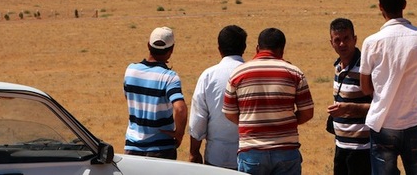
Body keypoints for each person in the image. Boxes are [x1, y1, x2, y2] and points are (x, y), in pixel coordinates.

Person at [360, 0, 417, 175]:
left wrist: (384, 89)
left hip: (383, 122)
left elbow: (365, 87)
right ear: (405, 4)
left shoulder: (371, 42)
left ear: (380, 7)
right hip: (412, 119)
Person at [223, 27, 315, 175]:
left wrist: (251, 121)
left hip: (252, 151)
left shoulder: (238, 73)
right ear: (281, 50)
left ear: (257, 48)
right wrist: (285, 121)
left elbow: (229, 113)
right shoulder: (294, 73)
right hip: (286, 151)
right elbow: (307, 112)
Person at [123, 26, 187, 159]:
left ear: (148, 45)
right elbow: (180, 109)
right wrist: (179, 134)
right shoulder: (169, 77)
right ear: (171, 50)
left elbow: (128, 97)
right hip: (161, 149)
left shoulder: (130, 71)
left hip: (132, 148)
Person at [189, 25, 247, 169]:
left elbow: (198, 119)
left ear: (219, 48)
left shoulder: (208, 76)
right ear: (244, 47)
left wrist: (194, 152)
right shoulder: (253, 74)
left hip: (216, 158)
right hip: (248, 158)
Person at [327, 18, 372, 175]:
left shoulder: (365, 69)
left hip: (363, 149)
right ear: (331, 43)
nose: (342, 44)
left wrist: (350, 109)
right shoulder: (338, 66)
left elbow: (380, 106)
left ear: (355, 39)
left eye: (346, 38)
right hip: (341, 146)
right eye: (337, 40)